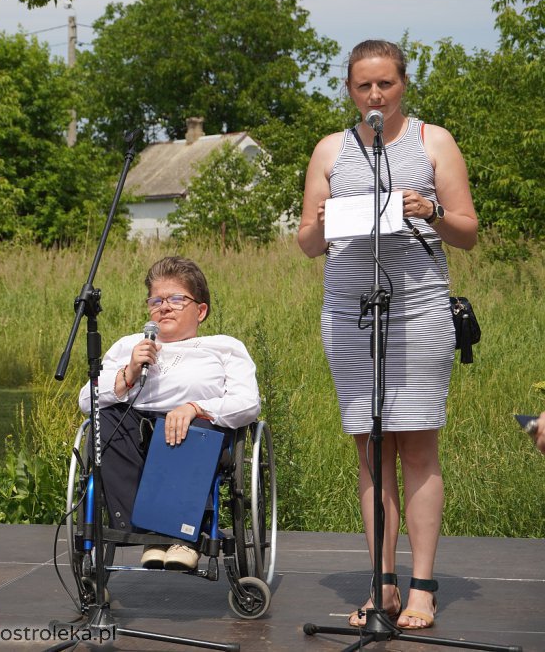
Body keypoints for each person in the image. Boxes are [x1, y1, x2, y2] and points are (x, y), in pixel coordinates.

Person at [298, 40, 478, 631]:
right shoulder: (330, 149)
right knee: (372, 449)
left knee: (418, 447)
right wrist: (322, 224)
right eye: (363, 86)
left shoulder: (434, 141)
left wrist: (429, 210)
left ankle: (423, 588)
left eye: (385, 84)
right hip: (350, 313)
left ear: (403, 85)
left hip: (419, 310)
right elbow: (306, 242)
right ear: (349, 90)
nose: (375, 96)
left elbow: (468, 232)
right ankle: (383, 587)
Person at [77, 256, 260, 570]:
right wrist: (129, 372)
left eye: (176, 299)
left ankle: (183, 536)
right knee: (103, 420)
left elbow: (247, 403)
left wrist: (195, 408)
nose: (164, 307)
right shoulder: (130, 345)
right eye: (156, 300)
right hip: (134, 433)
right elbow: (86, 398)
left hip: (196, 432)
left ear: (200, 310)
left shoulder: (223, 347)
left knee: (191, 427)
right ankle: (146, 529)